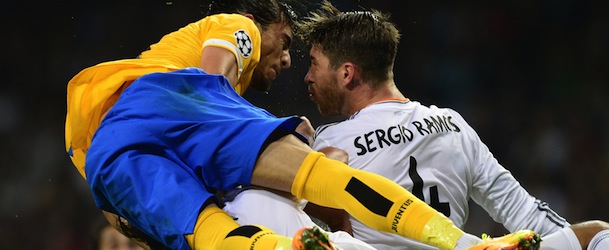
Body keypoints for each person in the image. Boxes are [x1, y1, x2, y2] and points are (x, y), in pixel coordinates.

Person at [64, 0, 538, 249]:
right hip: (169, 101)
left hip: (107, 153)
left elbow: (119, 216)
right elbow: (209, 84)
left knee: (206, 232)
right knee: (320, 173)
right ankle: (460, 245)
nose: (288, 60)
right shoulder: (238, 24)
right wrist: (287, 139)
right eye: (287, 43)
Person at [293, 1, 609, 250]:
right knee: (597, 234)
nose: (308, 76)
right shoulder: (451, 123)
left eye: (313, 64)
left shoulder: (330, 143)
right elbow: (523, 212)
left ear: (347, 73)